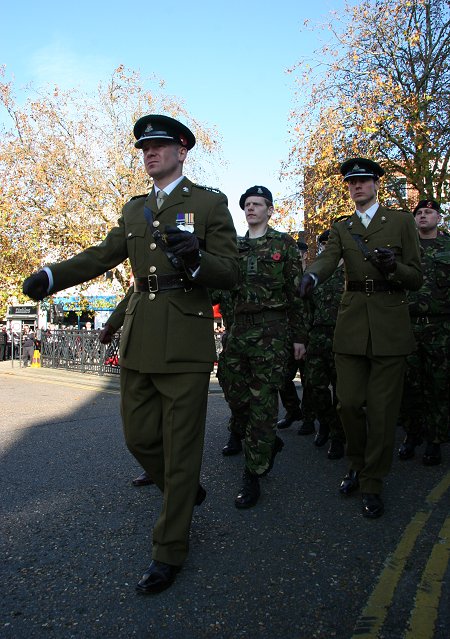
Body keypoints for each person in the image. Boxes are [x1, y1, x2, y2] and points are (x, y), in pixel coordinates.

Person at [23, 114, 238, 594]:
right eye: (144, 148)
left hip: (185, 339)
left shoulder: (208, 205)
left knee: (182, 452)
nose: (150, 153)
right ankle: (185, 493)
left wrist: (196, 258)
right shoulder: (133, 209)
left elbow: (231, 272)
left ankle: (170, 550)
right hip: (140, 338)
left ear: (182, 151)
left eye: (160, 146)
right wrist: (52, 277)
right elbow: (102, 255)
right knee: (139, 438)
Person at [299, 158, 422, 519]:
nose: (357, 187)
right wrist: (311, 278)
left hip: (389, 325)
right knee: (348, 404)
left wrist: (393, 268)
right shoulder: (342, 227)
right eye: (352, 183)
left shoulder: (400, 222)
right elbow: (327, 260)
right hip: (351, 327)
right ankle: (356, 462)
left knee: (382, 412)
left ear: (376, 185)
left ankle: (372, 480)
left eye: (364, 181)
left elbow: (416, 277)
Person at [219, 185, 307, 508]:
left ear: (270, 210)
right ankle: (267, 441)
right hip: (239, 331)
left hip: (272, 331)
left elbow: (296, 293)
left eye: (258, 204)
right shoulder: (233, 246)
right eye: (247, 205)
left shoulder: (283, 244)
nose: (251, 208)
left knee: (263, 401)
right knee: (234, 391)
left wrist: (299, 338)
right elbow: (224, 289)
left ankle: (253, 473)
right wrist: (229, 328)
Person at [398, 199, 450, 465]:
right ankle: (412, 434)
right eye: (418, 212)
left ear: (438, 218)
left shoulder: (448, 247)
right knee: (409, 385)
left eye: (428, 212)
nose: (422, 216)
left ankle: (435, 439)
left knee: (439, 384)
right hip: (408, 326)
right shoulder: (405, 249)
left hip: (441, 327)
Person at [98, 287, 154, 487]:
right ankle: (157, 466)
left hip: (176, 346)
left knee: (170, 418)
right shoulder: (146, 261)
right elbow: (134, 293)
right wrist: (111, 325)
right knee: (136, 420)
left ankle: (176, 479)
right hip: (141, 347)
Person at [303, 228, 346, 459]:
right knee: (315, 387)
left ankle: (338, 436)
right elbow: (306, 309)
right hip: (318, 337)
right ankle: (327, 423)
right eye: (323, 244)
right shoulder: (316, 274)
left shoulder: (352, 271)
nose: (325, 247)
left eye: (330, 243)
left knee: (343, 392)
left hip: (345, 337)